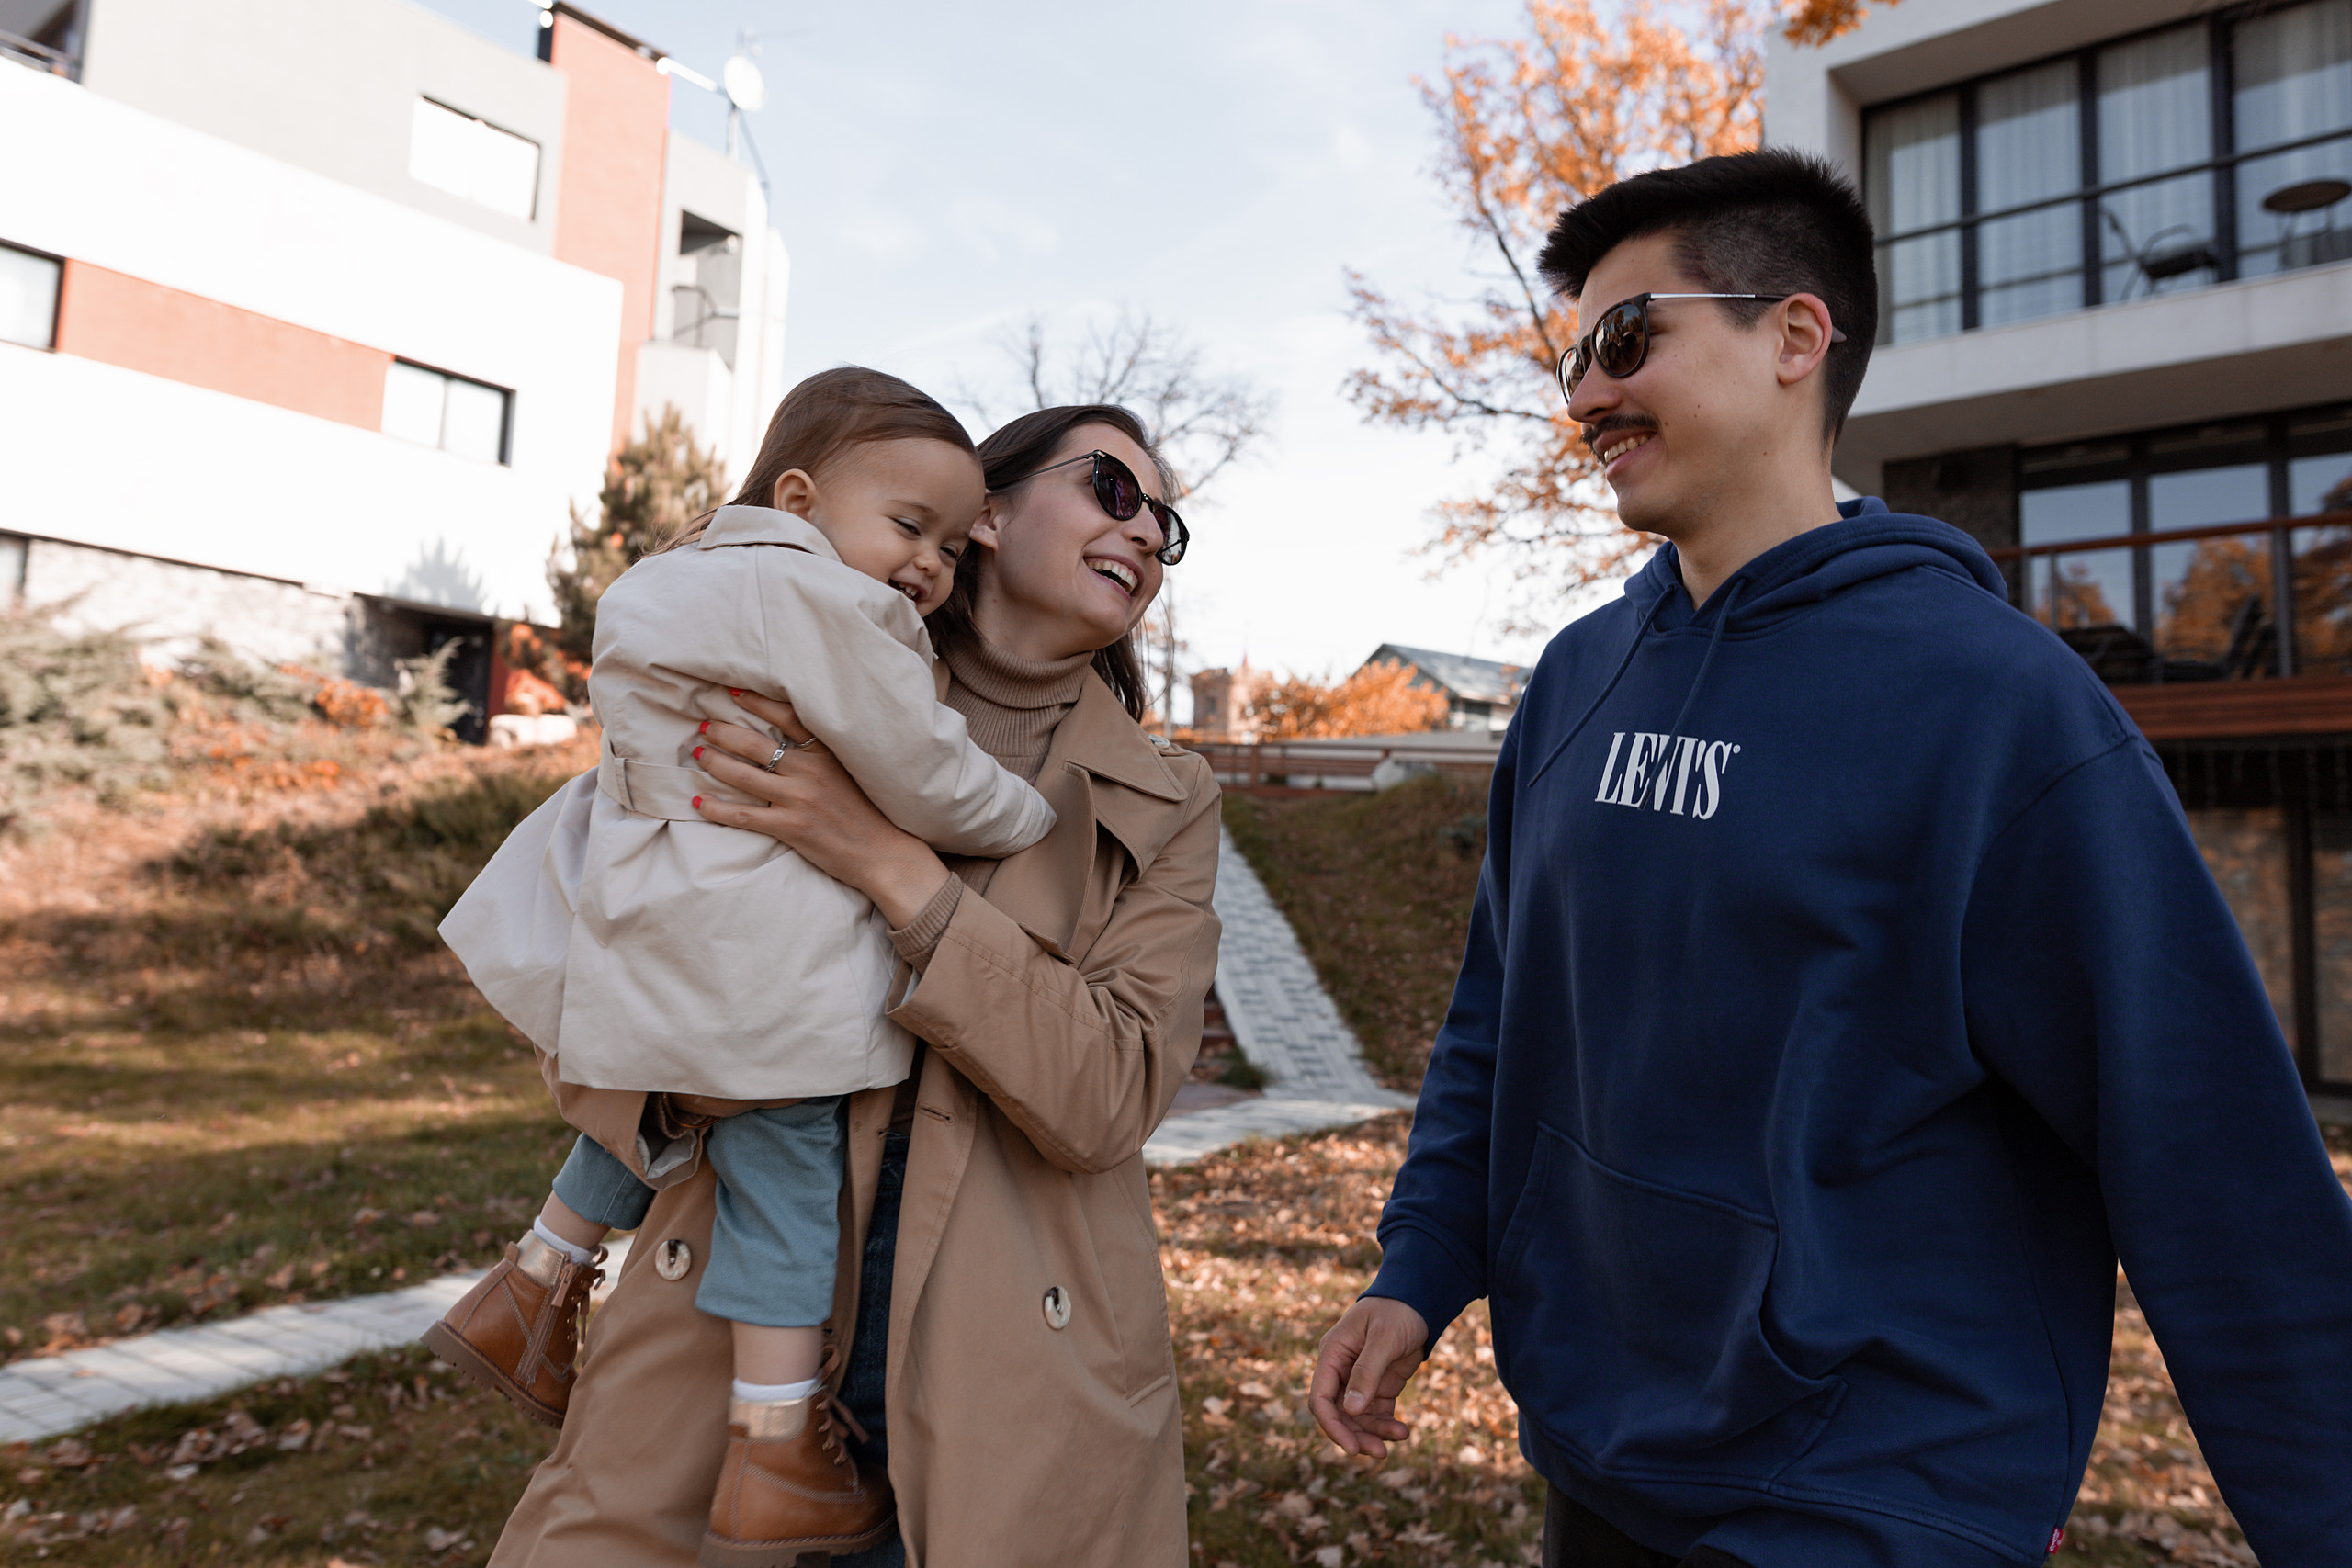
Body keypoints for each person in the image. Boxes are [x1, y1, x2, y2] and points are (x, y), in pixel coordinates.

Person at [1311, 149, 2352, 1568]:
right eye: (1572, 356)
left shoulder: (2003, 711)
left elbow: (2212, 1158)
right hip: (1607, 1455)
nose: (1583, 397)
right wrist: (1421, 1266)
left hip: (1879, 1492)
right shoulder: (1573, 682)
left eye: (1627, 339)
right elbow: (1500, 1016)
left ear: (1795, 336)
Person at [485, 403, 1218, 1568]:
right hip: (721, 1351)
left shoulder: (1165, 801)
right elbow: (593, 997)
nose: (1146, 534)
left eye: (1165, 525)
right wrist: (699, 1079)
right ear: (986, 514)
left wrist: (890, 870)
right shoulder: (763, 672)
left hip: (1017, 1389)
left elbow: (1112, 1096)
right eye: (1111, 492)